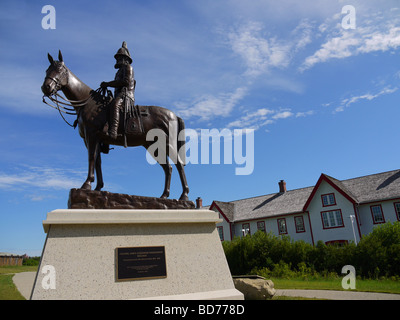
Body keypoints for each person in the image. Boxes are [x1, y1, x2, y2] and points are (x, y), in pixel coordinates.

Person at [100, 41, 135, 140]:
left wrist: (108, 84)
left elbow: (125, 82)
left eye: (120, 57)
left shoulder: (128, 68)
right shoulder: (119, 71)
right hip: (118, 95)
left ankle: (113, 132)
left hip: (126, 96)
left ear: (125, 58)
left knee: (115, 104)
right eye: (117, 57)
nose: (118, 59)